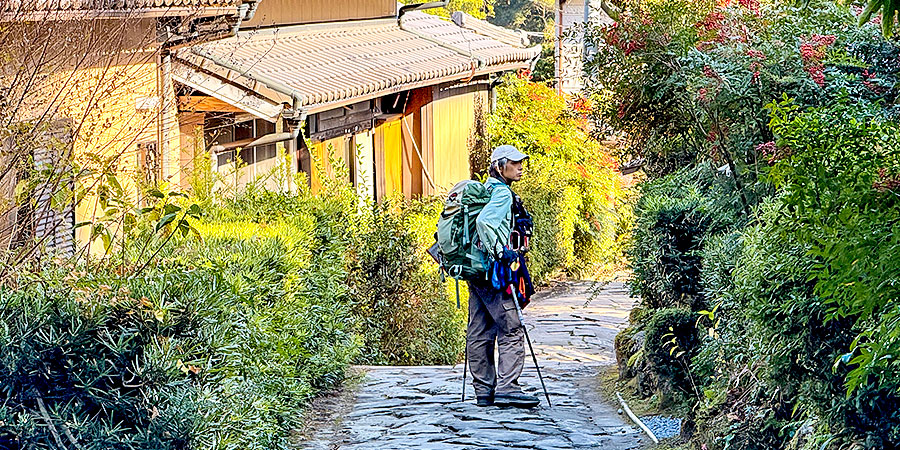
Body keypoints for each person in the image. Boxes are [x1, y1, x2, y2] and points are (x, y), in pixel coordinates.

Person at [467, 144, 540, 408]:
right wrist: (501, 252)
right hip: (493, 271)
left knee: (480, 330)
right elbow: (485, 223)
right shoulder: (501, 194)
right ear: (500, 166)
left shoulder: (483, 190)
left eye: (522, 162)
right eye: (515, 163)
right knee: (511, 327)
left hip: (476, 272)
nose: (520, 167)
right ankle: (508, 387)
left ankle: (483, 391)